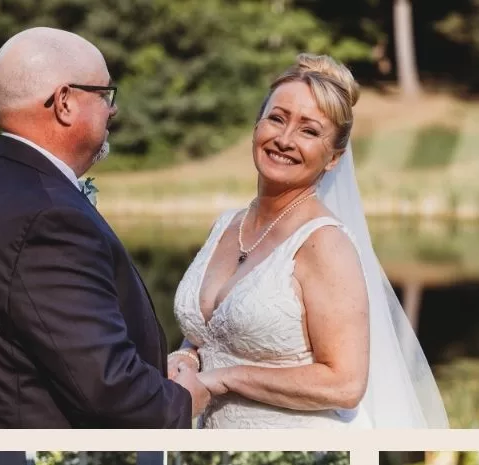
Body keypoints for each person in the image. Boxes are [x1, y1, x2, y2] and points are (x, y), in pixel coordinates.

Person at [0, 27, 197, 428]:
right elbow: (106, 386)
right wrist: (184, 399)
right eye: (104, 95)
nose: (112, 110)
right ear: (65, 102)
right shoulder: (48, 216)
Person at [171, 55, 446, 429]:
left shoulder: (324, 243)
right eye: (277, 119)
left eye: (309, 131)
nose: (284, 140)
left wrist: (223, 379)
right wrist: (187, 357)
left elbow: (345, 384)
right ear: (256, 126)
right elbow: (211, 335)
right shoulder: (226, 225)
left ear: (333, 158)